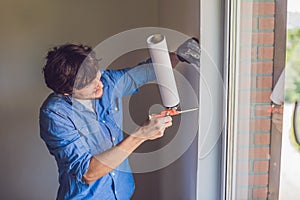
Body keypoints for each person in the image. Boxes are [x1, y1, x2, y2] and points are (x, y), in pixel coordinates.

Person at [39, 43, 176, 200]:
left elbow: (146, 71)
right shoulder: (55, 115)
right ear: (66, 92)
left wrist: (179, 56)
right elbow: (87, 173)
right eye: (91, 85)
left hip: (123, 193)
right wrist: (141, 135)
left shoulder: (107, 81)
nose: (101, 85)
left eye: (97, 76)